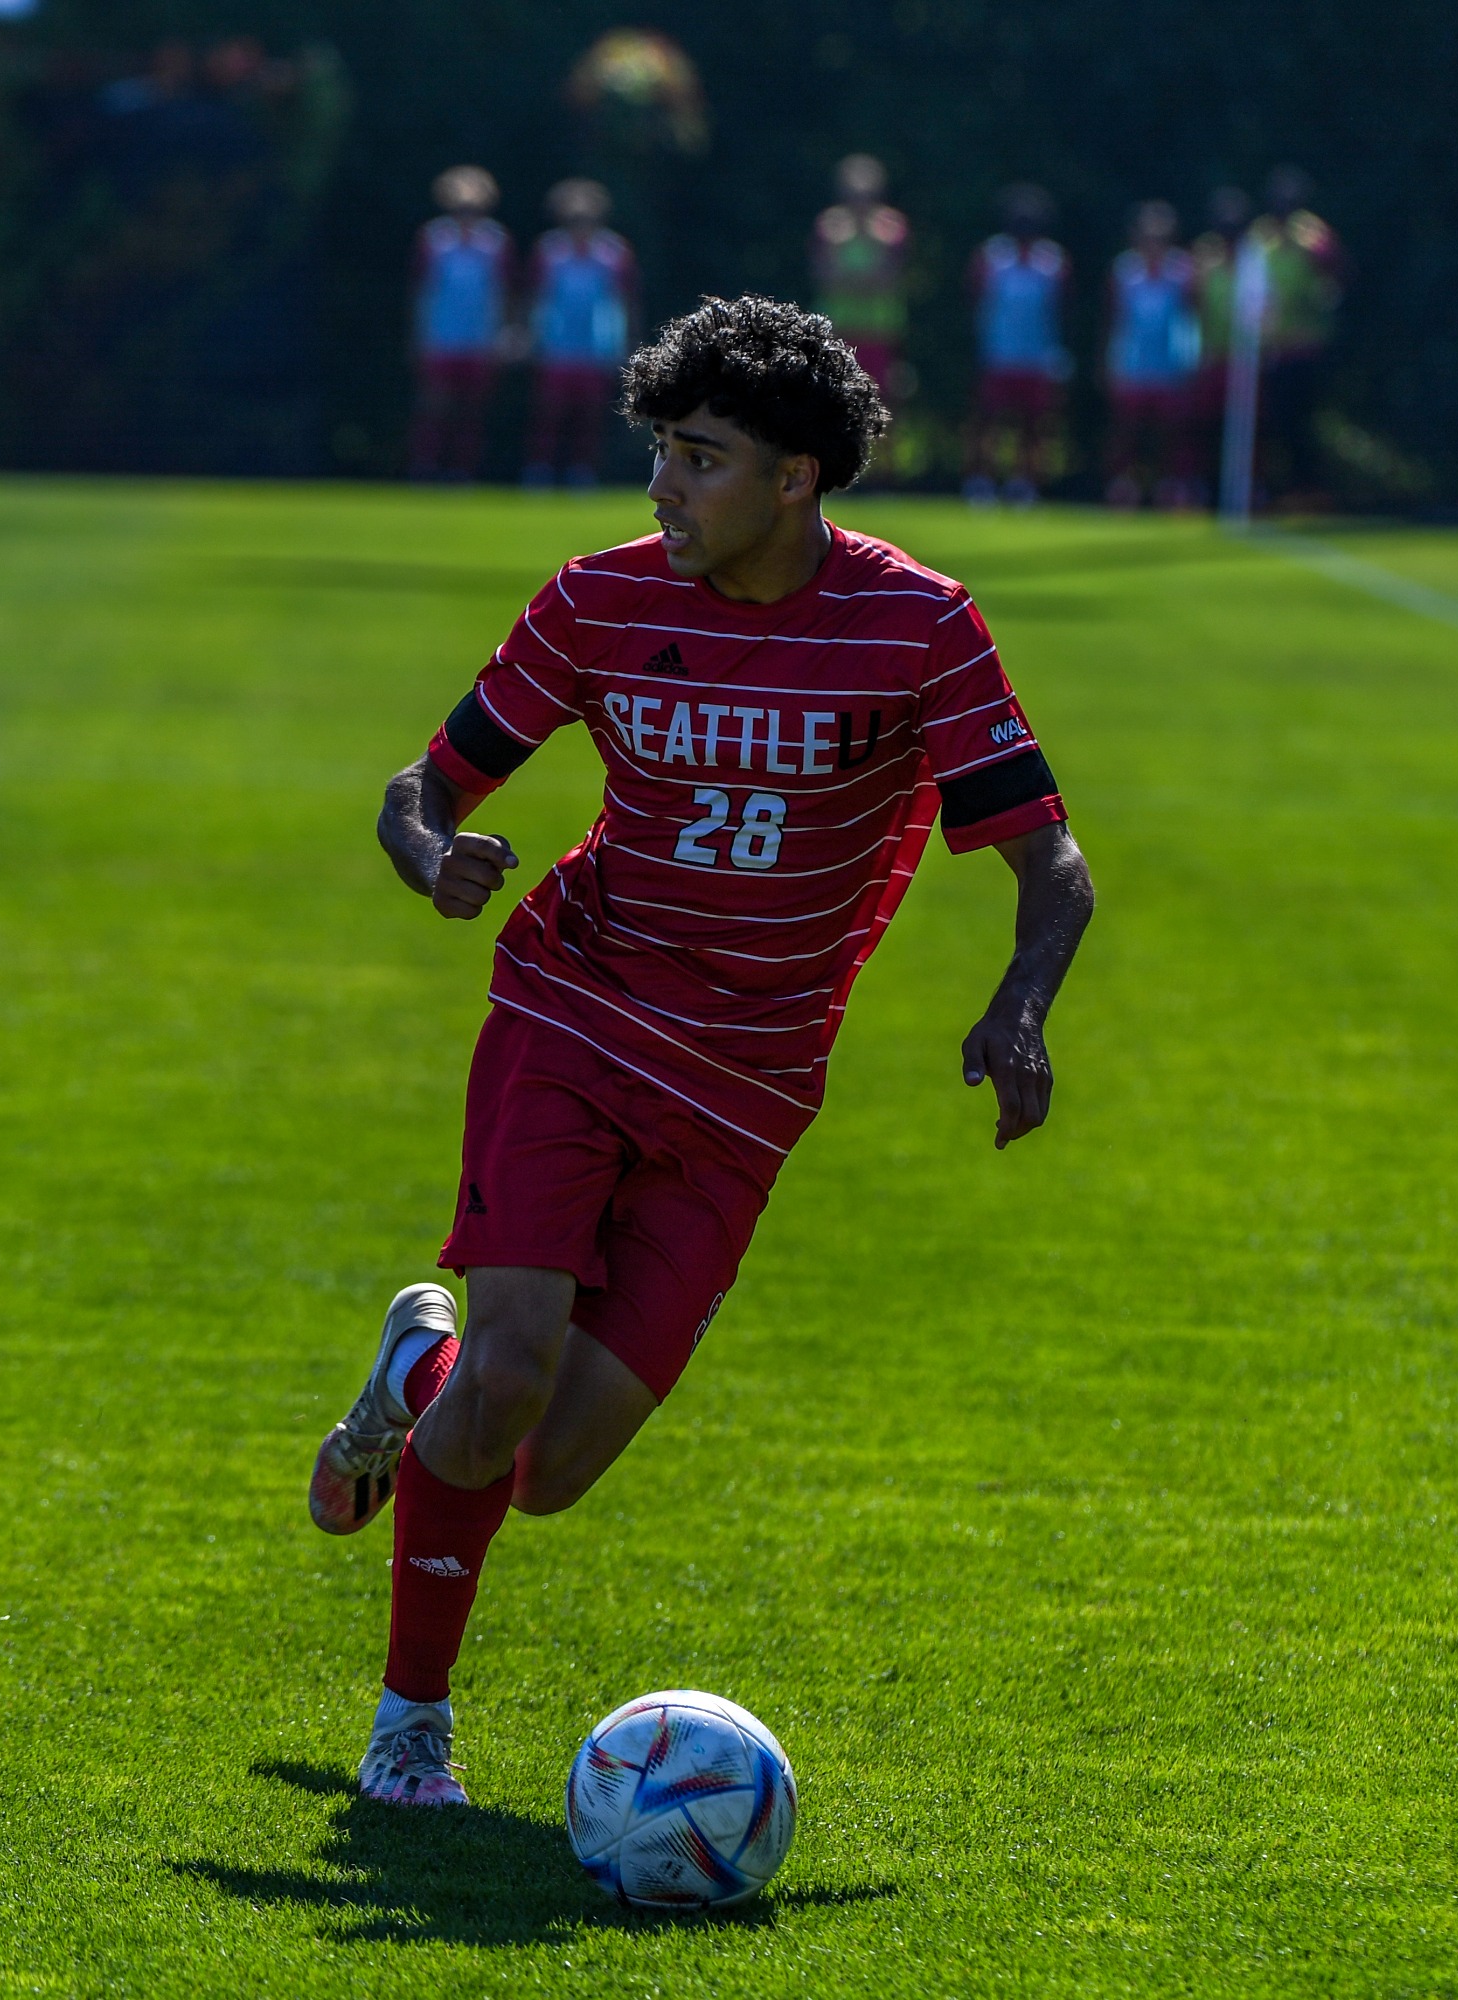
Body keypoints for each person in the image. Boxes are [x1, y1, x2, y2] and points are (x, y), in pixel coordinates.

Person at [306, 295, 1095, 1807]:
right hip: (576, 1006)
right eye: (662, 451)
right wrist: (432, 859)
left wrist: (1020, 1007)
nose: (663, 487)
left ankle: (420, 1367)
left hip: (748, 1089)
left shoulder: (919, 626)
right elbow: (428, 784)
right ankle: (411, 1731)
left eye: (701, 458)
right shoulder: (598, 601)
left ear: (797, 477)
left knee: (544, 1466)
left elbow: (1053, 865)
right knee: (521, 1363)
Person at [522, 179, 638, 488]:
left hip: (596, 347)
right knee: (549, 413)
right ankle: (541, 469)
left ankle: (581, 471)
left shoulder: (613, 253)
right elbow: (535, 299)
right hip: (556, 346)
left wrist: (624, 343)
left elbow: (624, 301)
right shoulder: (549, 251)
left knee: (590, 416)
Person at [964, 183, 1070, 506]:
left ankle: (1025, 483)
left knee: (1034, 425)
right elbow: (976, 299)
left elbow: (1061, 309)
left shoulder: (1053, 262)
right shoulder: (992, 257)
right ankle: (981, 479)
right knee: (988, 421)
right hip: (998, 352)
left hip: (1038, 356)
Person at [407, 166, 513, 482]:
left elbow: (504, 293)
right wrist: (418, 334)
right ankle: (425, 467)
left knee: (471, 410)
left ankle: (461, 471)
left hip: (480, 338)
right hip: (441, 336)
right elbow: (421, 291)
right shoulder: (434, 239)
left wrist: (503, 334)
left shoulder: (495, 242)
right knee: (435, 407)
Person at [1254, 166, 1346, 506]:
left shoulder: (1314, 235)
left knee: (1302, 422)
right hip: (1273, 347)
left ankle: (1310, 488)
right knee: (1277, 423)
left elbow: (1334, 279)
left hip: (1307, 346)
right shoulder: (1262, 236)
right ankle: (1286, 488)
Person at [1105, 199, 1204, 509]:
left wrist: (1192, 358)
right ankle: (1123, 487)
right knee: (1126, 433)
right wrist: (1110, 362)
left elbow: (1193, 317)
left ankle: (1173, 487)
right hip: (1133, 364)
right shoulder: (1124, 271)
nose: (1153, 242)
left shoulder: (1183, 271)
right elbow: (1113, 321)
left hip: (1171, 365)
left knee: (1174, 434)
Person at [813, 155, 911, 412]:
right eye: (852, 194)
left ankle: (885, 454)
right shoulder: (828, 226)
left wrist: (849, 280)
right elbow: (826, 279)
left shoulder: (892, 227)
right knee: (835, 402)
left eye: (865, 194)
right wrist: (867, 281)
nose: (859, 201)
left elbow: (890, 279)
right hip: (840, 329)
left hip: (880, 329)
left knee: (882, 402)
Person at [1189, 186, 1251, 508]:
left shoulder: (1255, 259)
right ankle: (1202, 486)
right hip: (1212, 357)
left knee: (1246, 430)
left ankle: (1248, 488)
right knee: (1203, 425)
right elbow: (1195, 308)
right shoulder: (1204, 259)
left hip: (1246, 362)